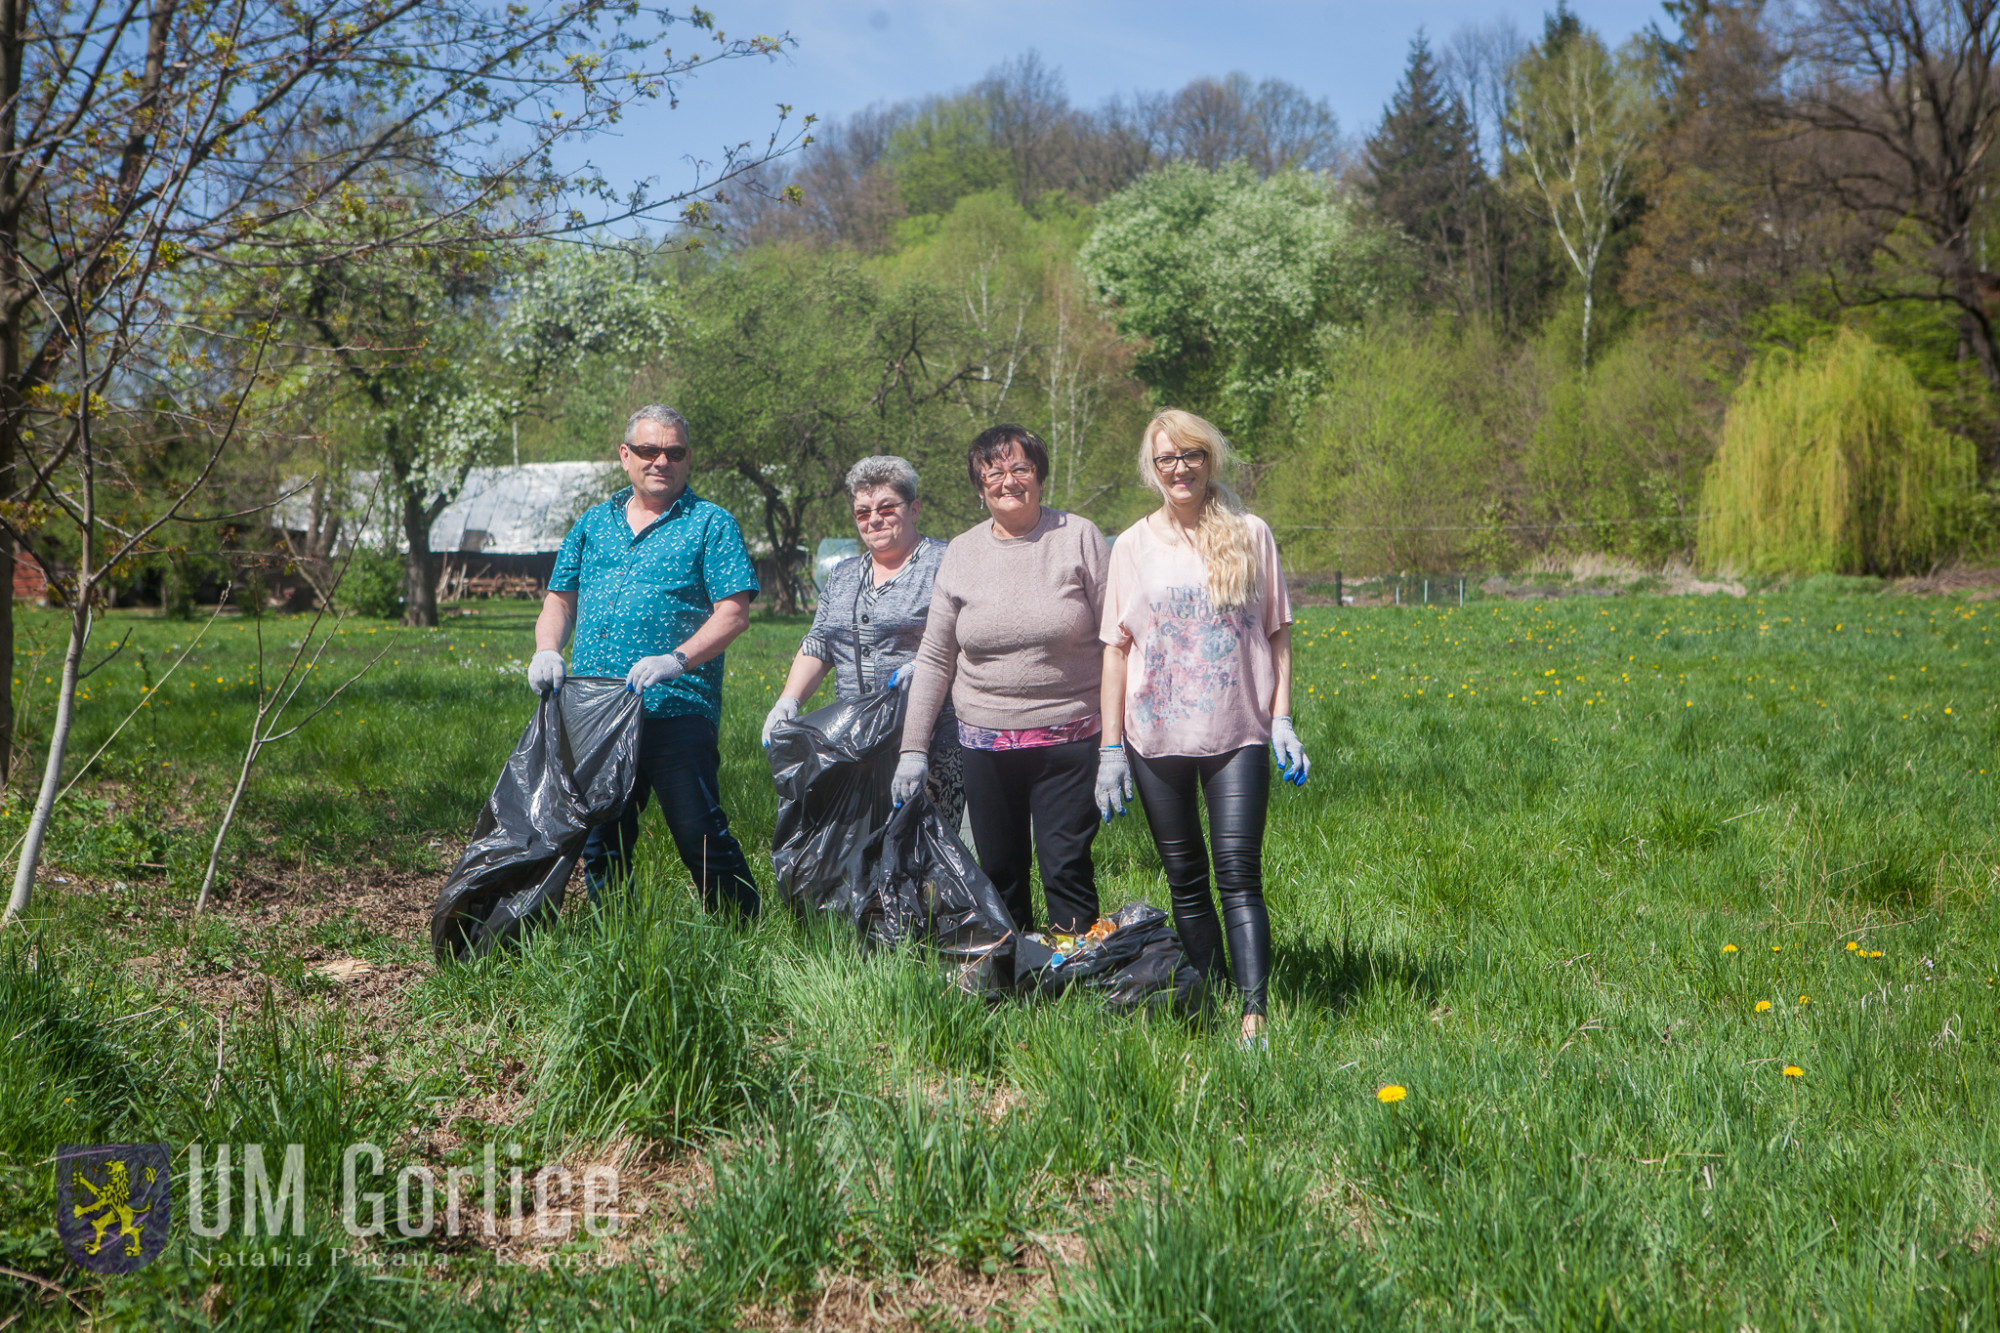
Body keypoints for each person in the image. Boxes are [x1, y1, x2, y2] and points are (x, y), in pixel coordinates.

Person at [1097, 408, 1309, 1043]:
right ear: (1152, 470)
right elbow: (1116, 646)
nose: (1179, 468)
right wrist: (1111, 745)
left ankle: (1253, 1018)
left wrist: (1283, 719)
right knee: (1185, 879)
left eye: (1190, 455)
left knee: (1238, 873)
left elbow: (1278, 633)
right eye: (1166, 459)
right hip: (1155, 737)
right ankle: (1211, 999)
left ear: (1209, 459)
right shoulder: (1131, 545)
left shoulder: (1250, 533)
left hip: (1237, 732)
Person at [527, 404, 763, 916]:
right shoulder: (593, 522)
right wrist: (547, 649)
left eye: (674, 452)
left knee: (698, 831)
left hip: (676, 704)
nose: (662, 461)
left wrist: (677, 660)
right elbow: (559, 599)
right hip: (595, 705)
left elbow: (734, 613)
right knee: (602, 836)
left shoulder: (711, 524)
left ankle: (744, 931)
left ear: (687, 459)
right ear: (625, 455)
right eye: (650, 450)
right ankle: (619, 935)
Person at [893, 425, 1110, 934]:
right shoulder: (963, 552)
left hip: (1071, 739)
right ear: (980, 484)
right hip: (985, 743)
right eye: (995, 472)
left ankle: (1074, 981)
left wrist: (1119, 744)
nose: (1008, 481)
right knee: (1000, 872)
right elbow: (936, 655)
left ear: (1039, 475)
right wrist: (912, 750)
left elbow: (1117, 641)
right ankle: (1013, 984)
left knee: (1066, 867)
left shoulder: (1079, 536)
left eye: (1020, 469)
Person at [762, 456, 964, 822]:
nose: (874, 519)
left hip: (930, 742)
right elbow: (820, 641)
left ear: (914, 508)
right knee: (861, 857)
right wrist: (787, 702)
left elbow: (968, 639)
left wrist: (924, 665)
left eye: (887, 508)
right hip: (856, 742)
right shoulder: (842, 575)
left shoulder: (947, 562)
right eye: (862, 512)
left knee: (923, 860)